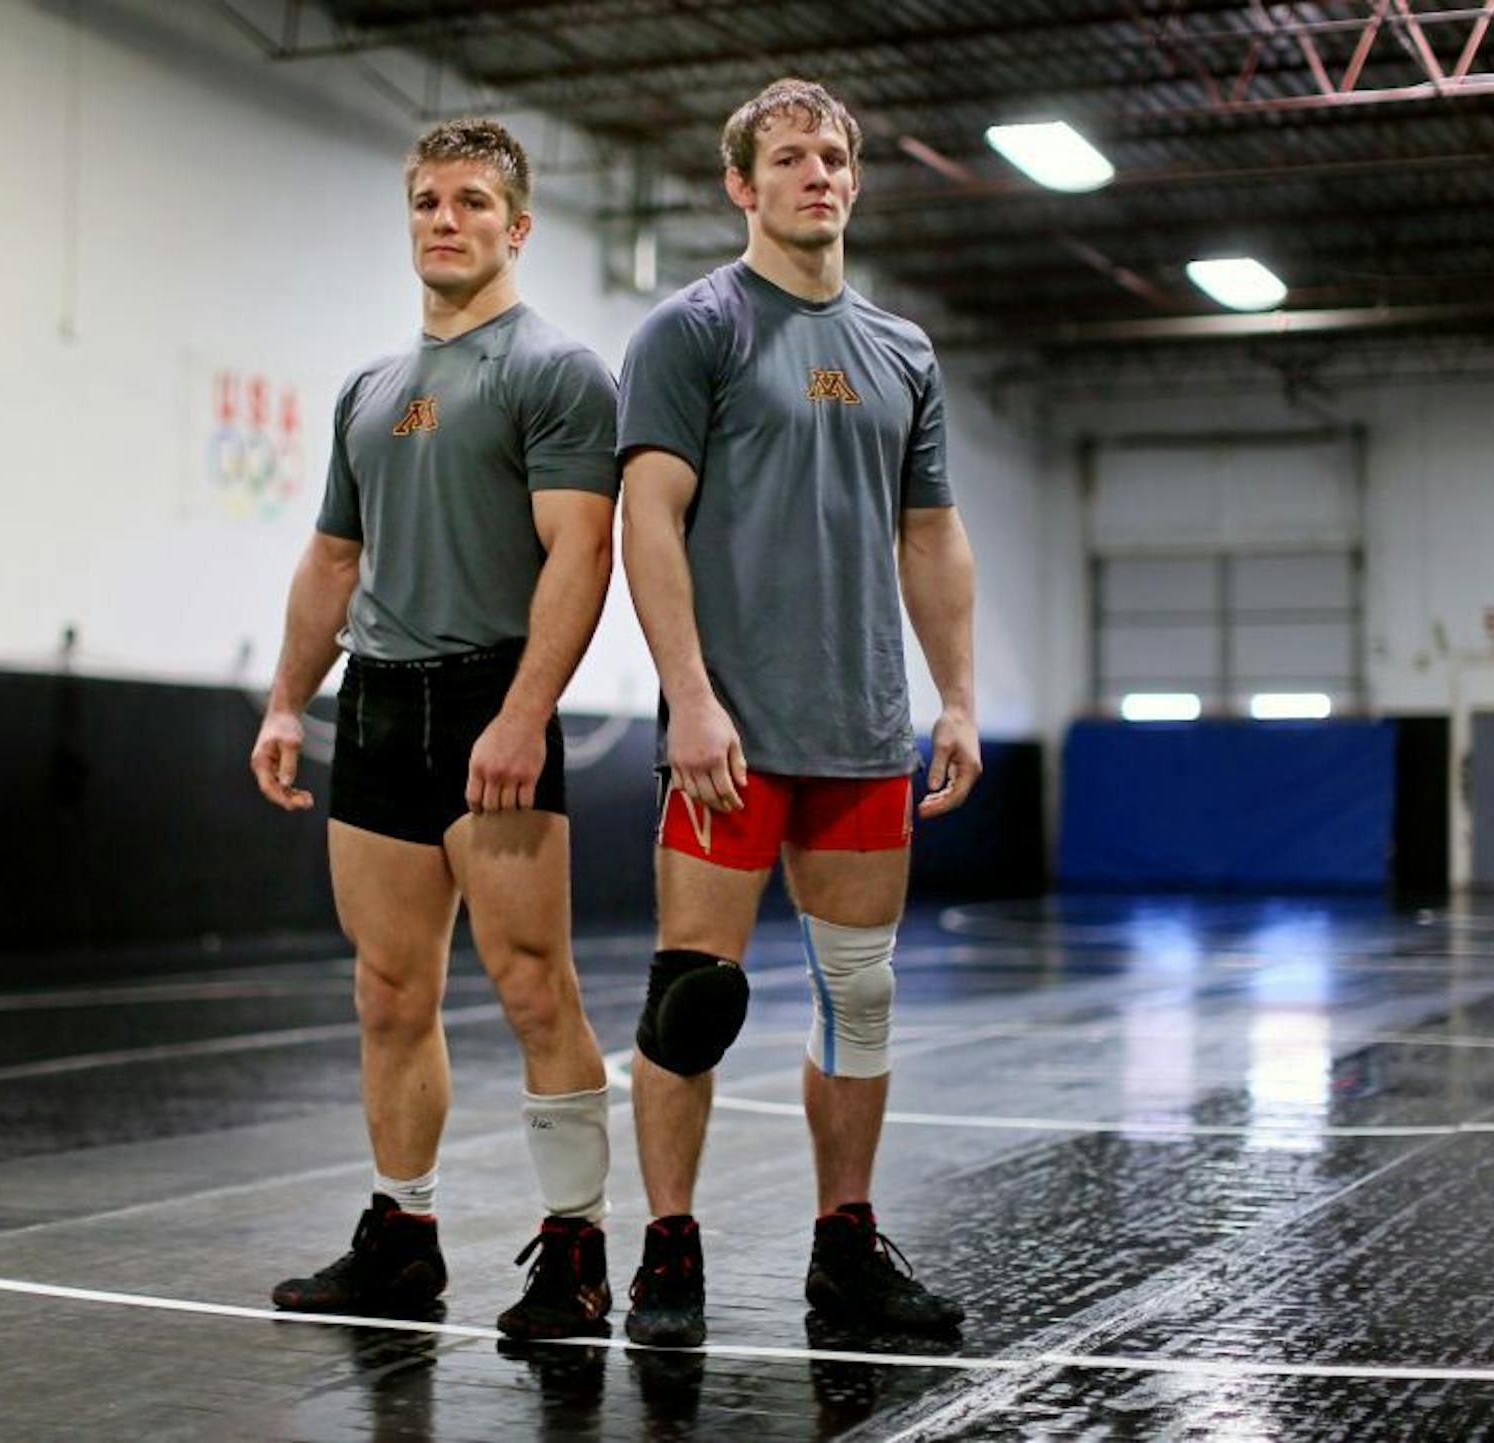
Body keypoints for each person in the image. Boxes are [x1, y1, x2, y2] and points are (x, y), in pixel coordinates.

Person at [613, 77, 982, 1348]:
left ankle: (845, 1246)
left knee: (859, 996)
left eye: (833, 156)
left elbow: (931, 535)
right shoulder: (693, 329)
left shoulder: (902, 352)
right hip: (731, 739)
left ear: (855, 181)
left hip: (865, 732)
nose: (815, 173)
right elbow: (646, 517)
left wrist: (959, 700)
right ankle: (668, 1247)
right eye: (788, 157)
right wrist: (691, 698)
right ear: (742, 185)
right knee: (691, 1001)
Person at [249, 118, 619, 1342]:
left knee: (530, 986)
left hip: (487, 700)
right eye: (425, 201)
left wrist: (524, 713)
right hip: (380, 703)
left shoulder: (556, 370)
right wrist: (286, 701)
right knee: (388, 992)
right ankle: (403, 1238)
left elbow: (582, 549)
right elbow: (330, 560)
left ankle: (574, 1253)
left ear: (517, 226)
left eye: (469, 201)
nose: (444, 221)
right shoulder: (370, 390)